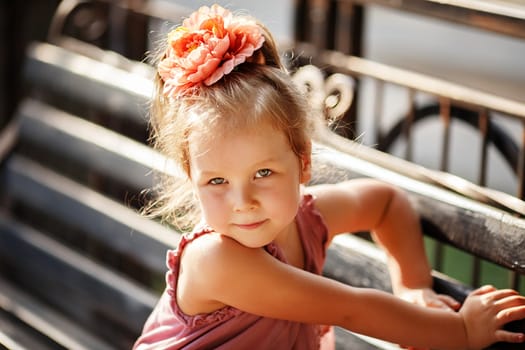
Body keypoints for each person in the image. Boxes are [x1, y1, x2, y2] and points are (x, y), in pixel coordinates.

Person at [133, 4, 525, 349]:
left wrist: (414, 285)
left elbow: (385, 202)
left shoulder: (308, 218)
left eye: (263, 172)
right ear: (192, 177)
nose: (243, 201)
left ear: (303, 162)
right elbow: (351, 310)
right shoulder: (216, 260)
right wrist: (462, 332)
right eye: (216, 181)